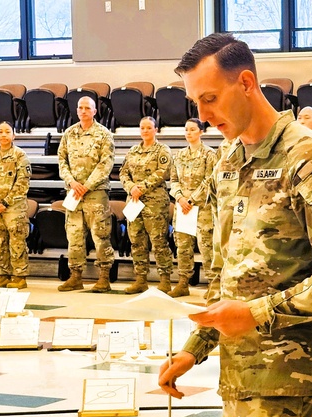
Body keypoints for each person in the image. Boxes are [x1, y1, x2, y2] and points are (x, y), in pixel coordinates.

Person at [157, 33, 312, 417]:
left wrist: (254, 314)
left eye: (211, 98)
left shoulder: (308, 160)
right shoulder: (229, 162)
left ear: (247, 83)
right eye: (196, 102)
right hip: (238, 376)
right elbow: (226, 274)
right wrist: (194, 348)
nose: (203, 114)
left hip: (292, 383)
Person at [57, 96, 116, 293]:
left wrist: (87, 185)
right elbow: (62, 161)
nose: (83, 111)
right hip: (73, 193)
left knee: (100, 236)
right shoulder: (69, 133)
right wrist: (72, 182)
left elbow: (105, 164)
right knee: (73, 236)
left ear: (94, 111)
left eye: (87, 108)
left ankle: (104, 277)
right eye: (80, 108)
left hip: (95, 194)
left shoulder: (104, 134)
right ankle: (75, 276)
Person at [120, 116, 175, 295]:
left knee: (159, 241)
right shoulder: (133, 150)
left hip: (155, 202)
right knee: (136, 241)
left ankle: (165, 280)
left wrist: (141, 187)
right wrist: (131, 187)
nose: (145, 131)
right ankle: (140, 279)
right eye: (142, 127)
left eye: (149, 128)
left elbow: (163, 172)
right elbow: (123, 172)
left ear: (156, 130)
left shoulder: (162, 150)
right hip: (134, 201)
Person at [168, 118, 218, 298]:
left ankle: (213, 283)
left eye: (192, 130)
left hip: (202, 208)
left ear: (201, 132)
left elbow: (210, 180)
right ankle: (183, 283)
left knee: (206, 247)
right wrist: (180, 198)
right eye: (186, 129)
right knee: (182, 246)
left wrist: (192, 200)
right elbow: (173, 180)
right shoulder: (179, 155)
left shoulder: (209, 154)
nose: (188, 133)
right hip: (182, 207)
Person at [0, 121, 31, 289]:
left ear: (13, 135)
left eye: (7, 132)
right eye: (0, 131)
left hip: (14, 207)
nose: (3, 134)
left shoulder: (20, 156)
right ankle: (3, 274)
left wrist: (4, 202)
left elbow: (22, 183)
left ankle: (19, 276)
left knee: (17, 242)